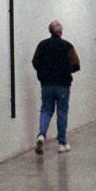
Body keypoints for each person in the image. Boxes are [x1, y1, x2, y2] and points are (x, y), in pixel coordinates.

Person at [32, 20, 80, 154]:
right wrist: (65, 70)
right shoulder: (67, 46)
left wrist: (43, 73)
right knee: (62, 112)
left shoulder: (42, 45)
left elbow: (35, 62)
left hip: (46, 84)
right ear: (60, 31)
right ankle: (62, 143)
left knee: (46, 109)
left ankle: (41, 134)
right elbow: (76, 65)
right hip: (63, 84)